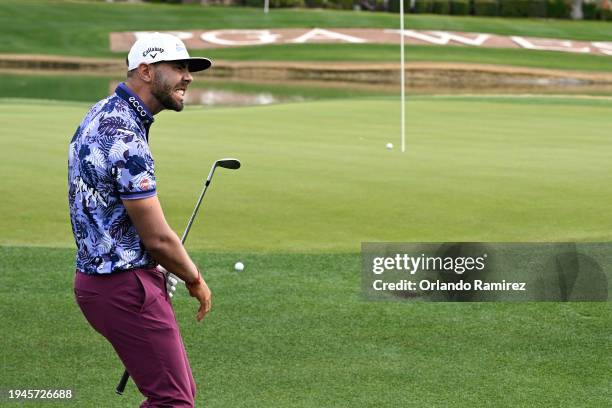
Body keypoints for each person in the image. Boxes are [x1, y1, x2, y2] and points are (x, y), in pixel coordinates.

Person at [67, 32, 213, 407]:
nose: (188, 77)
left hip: (99, 282)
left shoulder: (100, 111)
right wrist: (193, 278)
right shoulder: (126, 136)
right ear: (146, 71)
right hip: (123, 286)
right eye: (178, 67)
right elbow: (159, 239)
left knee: (177, 394)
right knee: (173, 400)